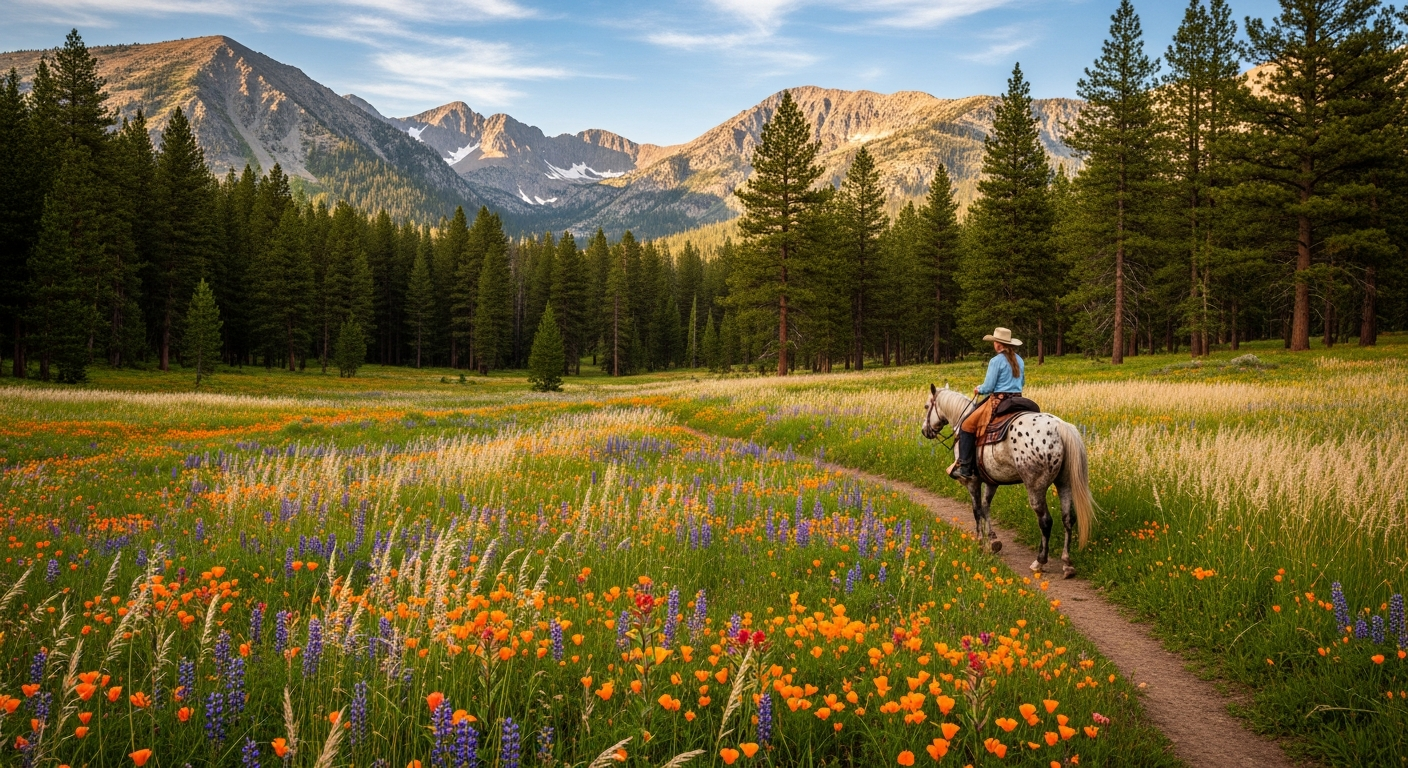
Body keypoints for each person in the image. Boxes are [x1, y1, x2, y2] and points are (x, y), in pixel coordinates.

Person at [949, 327, 1025, 480]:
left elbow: (989, 387)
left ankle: (965, 468)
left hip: (999, 401)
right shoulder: (1020, 360)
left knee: (966, 426)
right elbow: (1022, 383)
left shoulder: (995, 361)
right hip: (1019, 399)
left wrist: (979, 389)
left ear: (998, 344)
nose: (994, 344)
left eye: (995, 341)